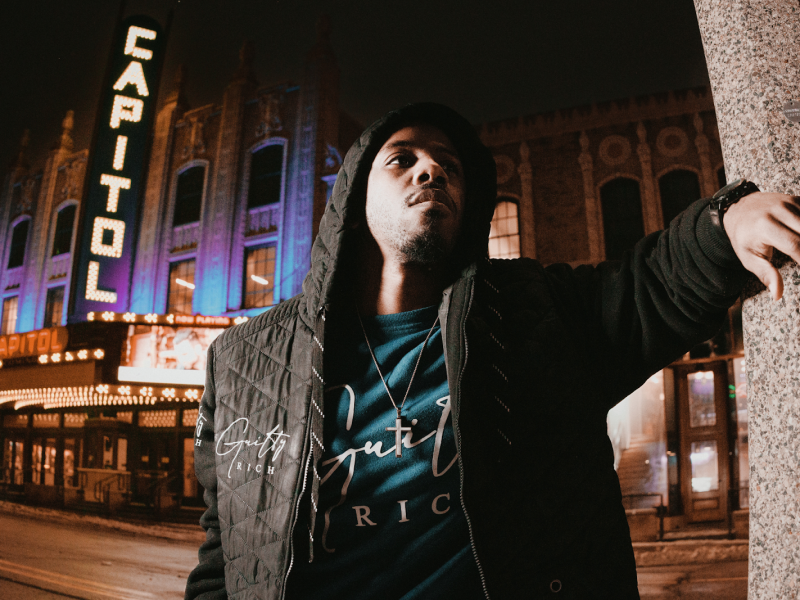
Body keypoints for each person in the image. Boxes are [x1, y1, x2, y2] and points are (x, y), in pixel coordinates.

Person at [185, 103, 800, 600]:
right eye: (403, 160)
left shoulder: (533, 313)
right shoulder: (244, 360)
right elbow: (227, 555)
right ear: (353, 198)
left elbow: (651, 284)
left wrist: (729, 221)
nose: (432, 171)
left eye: (448, 165)